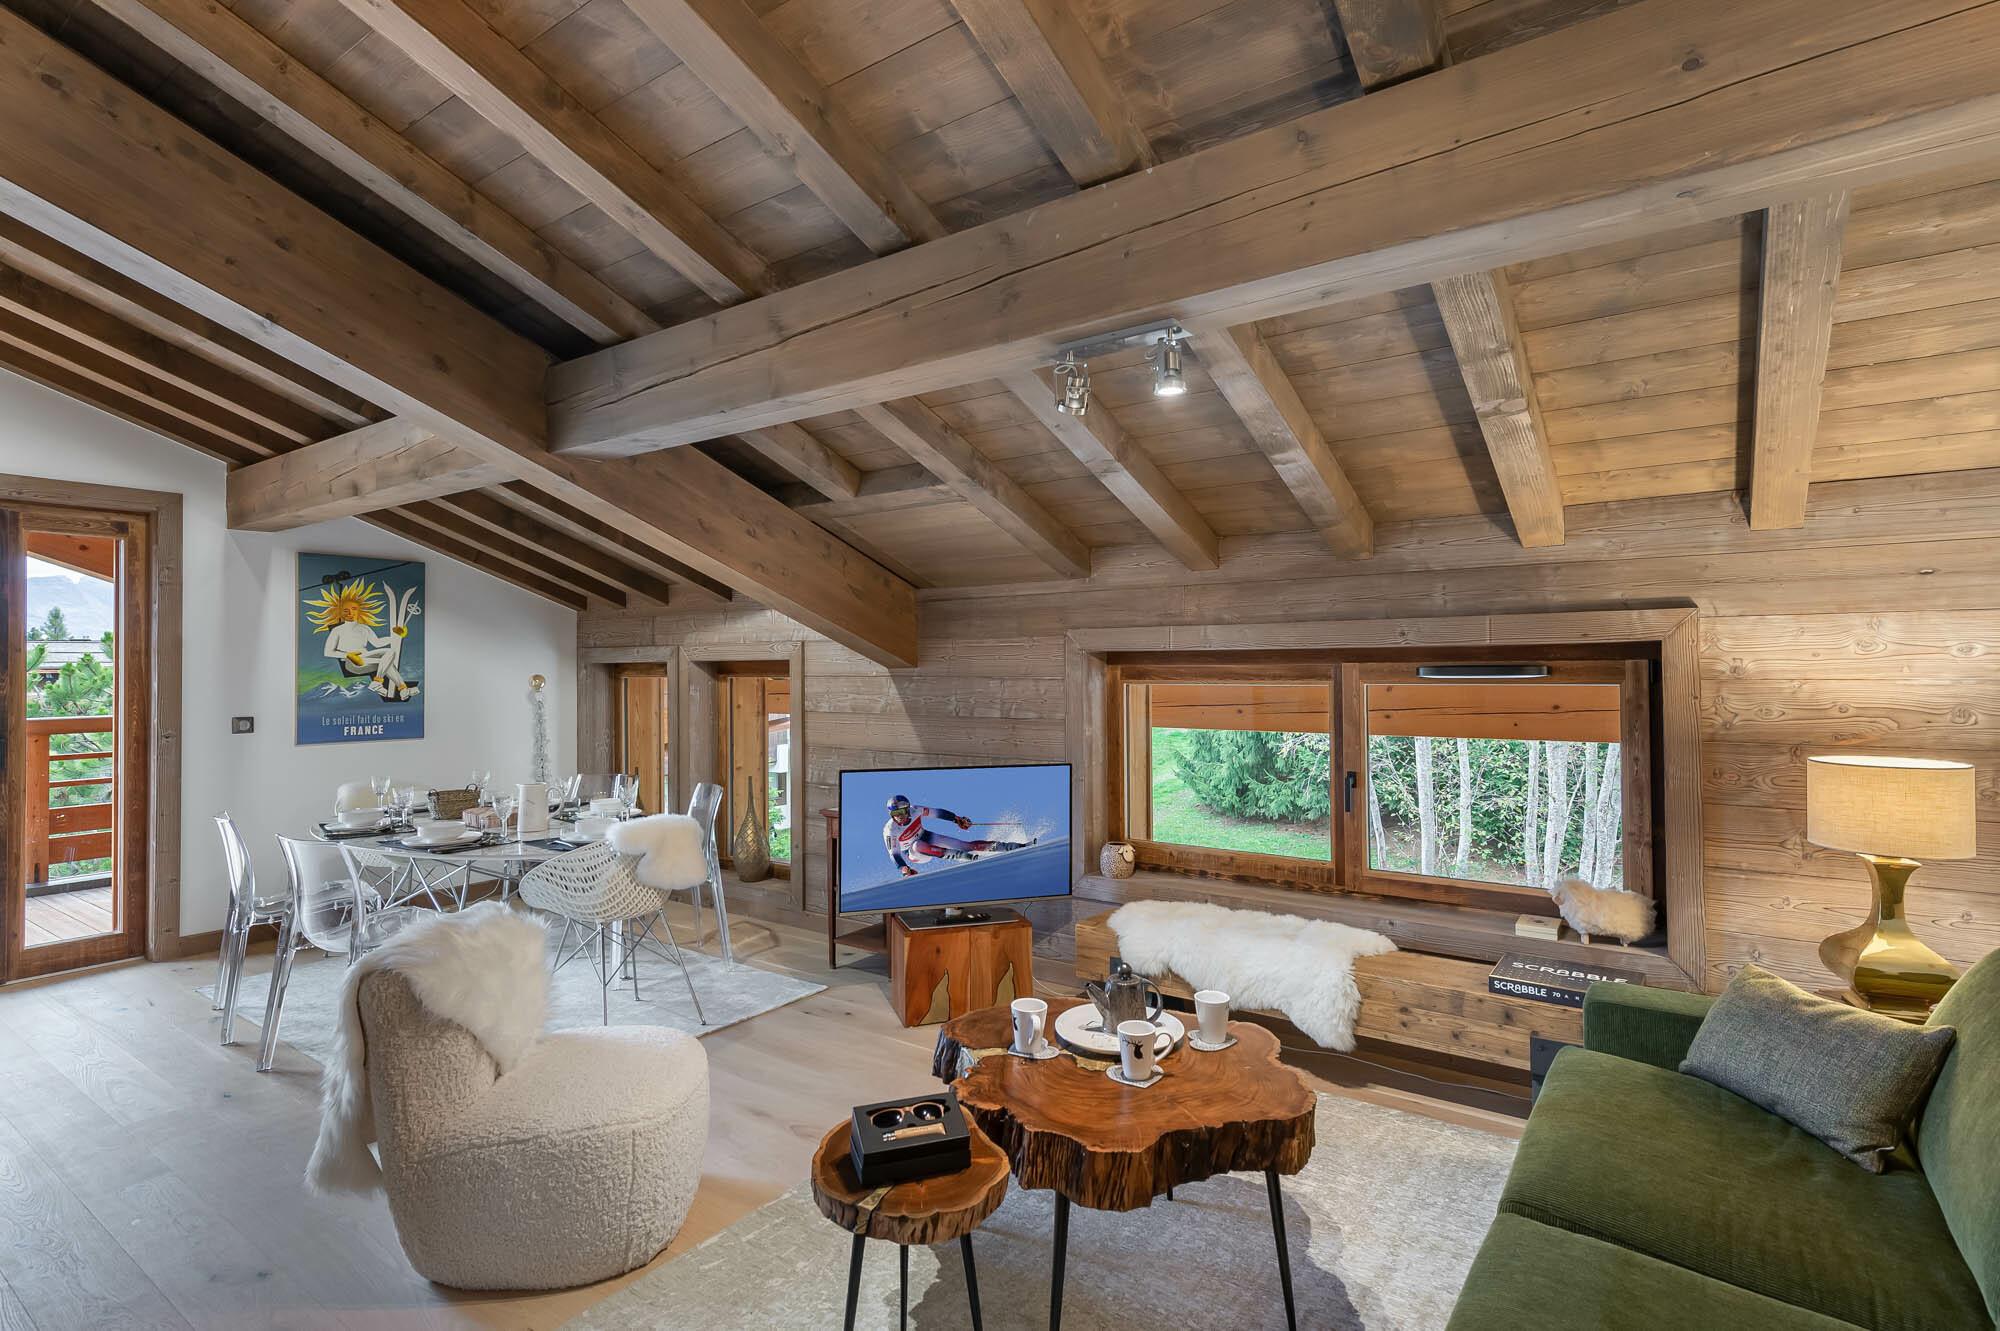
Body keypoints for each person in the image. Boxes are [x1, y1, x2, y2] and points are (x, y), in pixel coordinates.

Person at [882, 793, 1030, 877]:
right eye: (895, 814)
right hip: (915, 854)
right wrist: (905, 869)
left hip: (927, 837)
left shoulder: (916, 810)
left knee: (966, 845)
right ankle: (960, 856)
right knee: (917, 845)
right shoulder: (890, 830)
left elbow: (938, 813)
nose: (899, 817)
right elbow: (894, 854)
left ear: (907, 809)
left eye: (901, 812)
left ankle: (1014, 846)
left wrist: (957, 819)